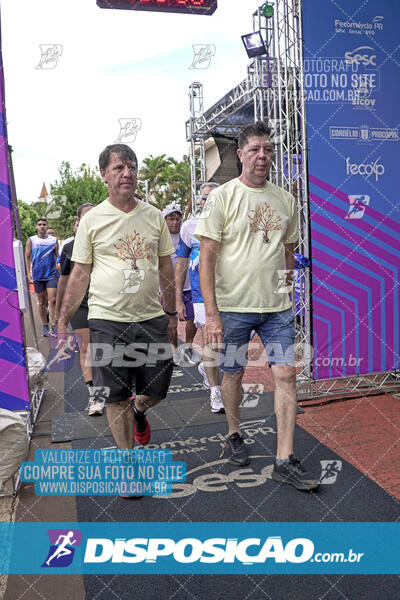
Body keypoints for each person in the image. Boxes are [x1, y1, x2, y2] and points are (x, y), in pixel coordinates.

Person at [195, 121, 319, 491]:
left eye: (267, 150)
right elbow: (207, 258)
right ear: (241, 154)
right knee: (233, 374)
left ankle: (284, 457)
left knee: (285, 376)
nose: (262, 156)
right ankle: (234, 432)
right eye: (255, 150)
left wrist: (287, 294)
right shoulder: (222, 198)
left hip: (277, 310)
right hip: (233, 307)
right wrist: (213, 314)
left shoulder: (285, 200)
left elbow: (288, 251)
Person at [58, 144, 176, 465]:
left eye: (132, 167)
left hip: (151, 318)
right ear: (104, 175)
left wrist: (173, 314)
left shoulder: (153, 216)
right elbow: (80, 273)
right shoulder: (92, 220)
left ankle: (140, 410)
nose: (127, 174)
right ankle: (127, 464)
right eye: (119, 168)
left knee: (157, 389)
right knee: (114, 396)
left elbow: (166, 268)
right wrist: (62, 317)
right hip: (106, 321)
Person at [175, 183, 224, 414]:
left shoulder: (230, 223)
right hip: (201, 294)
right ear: (199, 201)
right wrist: (177, 299)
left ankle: (207, 366)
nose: (208, 201)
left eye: (214, 197)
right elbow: (181, 264)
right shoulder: (189, 227)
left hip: (229, 292)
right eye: (205, 197)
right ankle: (215, 390)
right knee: (211, 343)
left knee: (226, 344)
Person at [55, 203, 102, 416]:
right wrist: (59, 317)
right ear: (78, 222)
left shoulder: (106, 243)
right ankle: (96, 397)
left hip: (106, 304)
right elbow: (63, 282)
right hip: (81, 306)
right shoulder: (69, 248)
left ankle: (118, 392)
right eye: (86, 217)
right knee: (86, 350)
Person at [162, 203, 198, 366]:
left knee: (193, 318)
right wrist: (159, 289)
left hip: (189, 285)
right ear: (165, 220)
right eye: (171, 219)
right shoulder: (160, 237)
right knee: (171, 322)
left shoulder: (187, 232)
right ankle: (174, 349)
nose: (175, 222)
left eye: (178, 218)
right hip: (168, 286)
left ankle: (188, 346)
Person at [25, 217, 59, 337]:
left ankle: (54, 326)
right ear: (36, 227)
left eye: (44, 224)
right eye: (39, 224)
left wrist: (60, 270)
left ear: (47, 225)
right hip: (38, 275)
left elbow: (57, 257)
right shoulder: (31, 240)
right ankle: (45, 325)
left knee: (53, 300)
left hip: (52, 274)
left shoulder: (53, 240)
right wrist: (29, 274)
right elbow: (27, 257)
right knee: (41, 302)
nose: (42, 226)